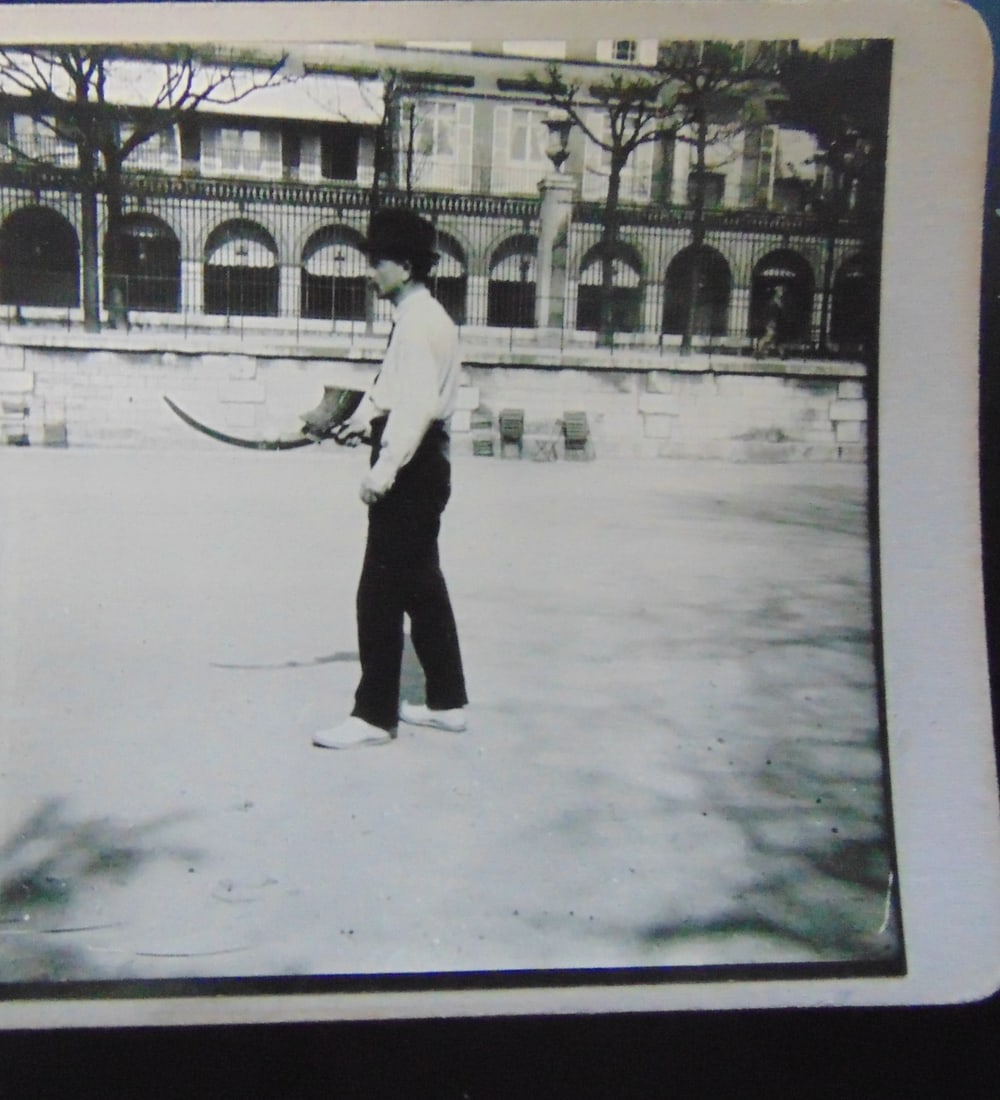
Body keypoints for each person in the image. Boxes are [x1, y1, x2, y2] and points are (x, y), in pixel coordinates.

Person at [310, 207, 469, 750]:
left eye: (376, 262)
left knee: (378, 591)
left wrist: (382, 471)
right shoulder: (423, 318)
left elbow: (418, 406)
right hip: (426, 465)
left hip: (413, 467)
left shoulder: (420, 325)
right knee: (423, 587)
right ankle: (448, 703)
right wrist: (359, 421)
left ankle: (374, 715)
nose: (369, 272)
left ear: (404, 265)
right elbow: (394, 391)